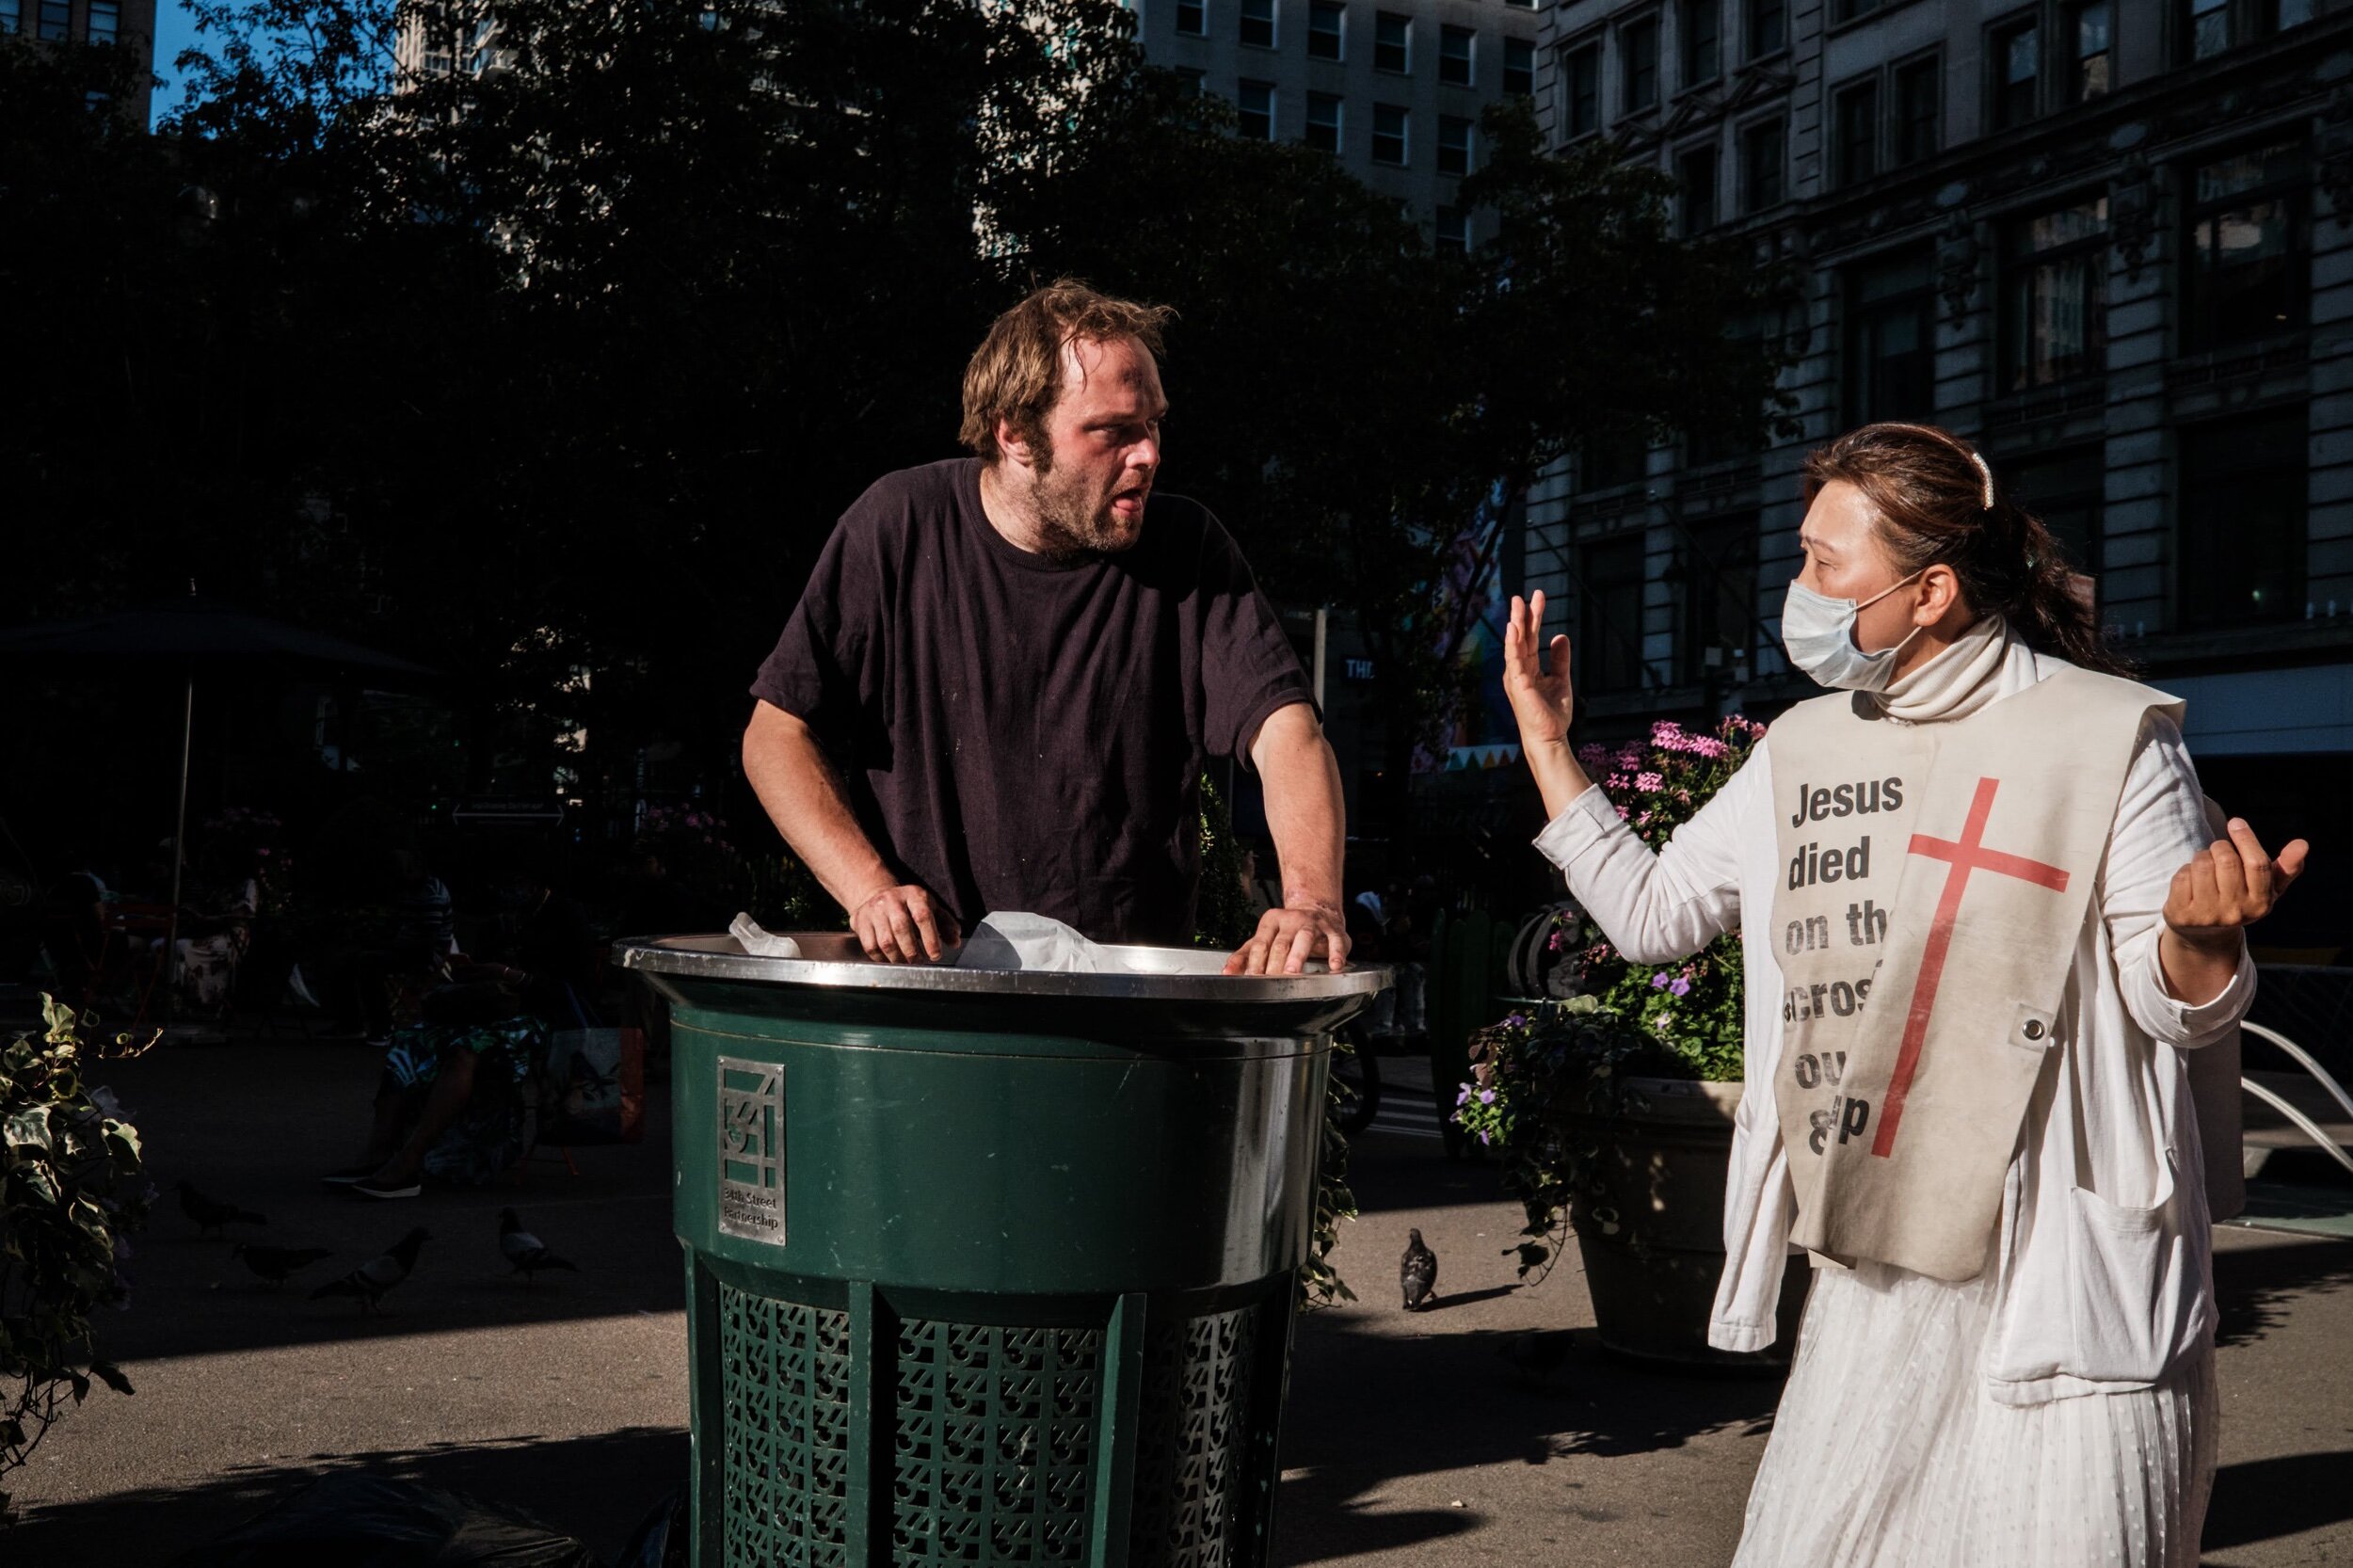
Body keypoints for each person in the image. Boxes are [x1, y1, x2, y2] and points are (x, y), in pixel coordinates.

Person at [1502, 422, 2308, 1567]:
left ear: (1927, 591)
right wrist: (1545, 740)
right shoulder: (1804, 748)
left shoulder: (2107, 738)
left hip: (2058, 1264)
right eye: (1801, 557)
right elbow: (1653, 916)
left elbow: (2173, 1003)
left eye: (1825, 564)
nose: (1798, 591)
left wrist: (2196, 935)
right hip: (1881, 1269)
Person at [743, 280, 1349, 973]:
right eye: (1112, 431)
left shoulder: (1190, 548)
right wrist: (868, 889)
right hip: (928, 991)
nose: (1148, 454)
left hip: (1125, 1011)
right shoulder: (897, 528)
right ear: (1015, 435)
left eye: (1152, 424)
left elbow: (1288, 732)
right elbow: (775, 735)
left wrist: (1312, 901)